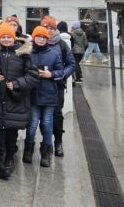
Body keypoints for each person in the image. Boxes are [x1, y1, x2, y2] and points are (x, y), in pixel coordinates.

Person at [0, 23, 38, 180]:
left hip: (14, 100)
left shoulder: (23, 55)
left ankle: (9, 159)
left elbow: (33, 76)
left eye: (9, 37)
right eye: (3, 37)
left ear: (14, 37)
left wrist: (17, 84)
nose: (6, 39)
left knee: (11, 133)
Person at [23, 27, 64, 168]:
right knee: (32, 124)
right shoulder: (28, 53)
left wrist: (51, 74)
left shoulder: (53, 54)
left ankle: (46, 151)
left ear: (47, 39)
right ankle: (28, 148)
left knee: (47, 124)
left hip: (49, 94)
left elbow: (61, 71)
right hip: (33, 94)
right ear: (33, 38)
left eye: (43, 37)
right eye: (38, 37)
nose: (40, 39)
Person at [40, 16, 76, 158]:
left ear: (55, 29)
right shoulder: (38, 41)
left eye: (51, 28)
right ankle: (46, 142)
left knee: (56, 115)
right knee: (43, 117)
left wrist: (60, 75)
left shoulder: (61, 45)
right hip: (41, 86)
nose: (48, 30)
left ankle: (58, 142)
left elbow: (72, 64)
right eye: (45, 27)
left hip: (56, 86)